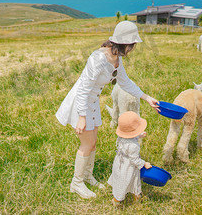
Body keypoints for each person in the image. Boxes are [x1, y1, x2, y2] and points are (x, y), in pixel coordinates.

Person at [55, 21, 159, 199]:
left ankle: (87, 175)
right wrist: (82, 117)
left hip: (92, 102)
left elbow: (125, 82)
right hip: (81, 103)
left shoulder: (116, 60)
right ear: (124, 44)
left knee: (93, 142)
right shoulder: (98, 59)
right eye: (132, 45)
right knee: (86, 144)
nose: (133, 49)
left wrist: (147, 98)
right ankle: (77, 183)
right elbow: (83, 90)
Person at [108, 111, 151, 206]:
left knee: (128, 180)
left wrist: (138, 135)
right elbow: (134, 160)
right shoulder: (133, 146)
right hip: (128, 167)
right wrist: (144, 163)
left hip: (120, 162)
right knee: (124, 182)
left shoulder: (122, 137)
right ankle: (116, 200)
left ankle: (137, 195)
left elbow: (129, 137)